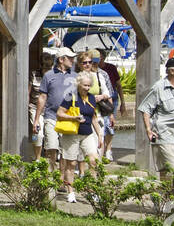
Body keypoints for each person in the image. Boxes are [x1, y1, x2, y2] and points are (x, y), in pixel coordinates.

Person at [56, 66, 101, 202]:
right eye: (84, 85)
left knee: (94, 161)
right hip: (72, 133)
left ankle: (93, 191)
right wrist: (72, 118)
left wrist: (99, 135)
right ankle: (71, 192)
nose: (87, 88)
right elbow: (59, 113)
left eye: (89, 85)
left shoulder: (92, 98)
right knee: (71, 163)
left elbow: (93, 118)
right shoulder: (71, 96)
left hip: (87, 133)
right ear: (78, 84)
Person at [34, 47, 76, 172]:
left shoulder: (75, 76)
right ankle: (51, 175)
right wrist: (36, 119)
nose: (73, 60)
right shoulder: (48, 75)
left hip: (68, 119)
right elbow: (42, 97)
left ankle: (61, 178)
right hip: (51, 116)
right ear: (61, 59)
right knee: (51, 147)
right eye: (70, 58)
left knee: (64, 151)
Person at [93, 48, 125, 160]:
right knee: (100, 126)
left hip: (109, 99)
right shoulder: (88, 72)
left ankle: (108, 149)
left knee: (109, 125)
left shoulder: (109, 69)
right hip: (97, 103)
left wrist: (123, 103)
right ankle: (99, 150)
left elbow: (118, 86)